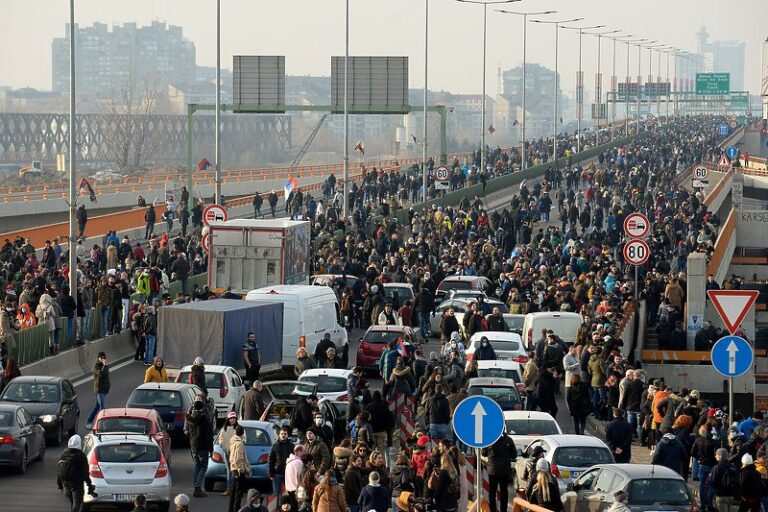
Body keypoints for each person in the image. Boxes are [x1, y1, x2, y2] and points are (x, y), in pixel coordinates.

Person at [57, 434, 95, 512]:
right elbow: (85, 473)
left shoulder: (64, 454)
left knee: (73, 504)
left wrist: (60, 485)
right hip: (77, 486)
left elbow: (59, 470)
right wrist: (89, 486)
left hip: (66, 485)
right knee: (77, 506)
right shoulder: (81, 456)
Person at [186, 394, 214, 498]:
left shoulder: (190, 418)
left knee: (197, 465)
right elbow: (208, 436)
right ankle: (197, 487)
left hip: (193, 445)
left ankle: (196, 487)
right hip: (202, 446)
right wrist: (211, 449)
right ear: (202, 408)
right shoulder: (204, 419)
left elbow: (189, 432)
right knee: (203, 466)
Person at [481, 432, 517, 512]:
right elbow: (514, 455)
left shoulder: (490, 439)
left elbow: (483, 453)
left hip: (492, 470)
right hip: (504, 470)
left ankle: (493, 510)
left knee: (492, 491)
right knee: (504, 491)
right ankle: (503, 510)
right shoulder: (509, 440)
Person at [219, 412, 243, 496]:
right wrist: (222, 444)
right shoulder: (224, 429)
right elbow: (220, 438)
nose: (232, 420)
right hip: (227, 452)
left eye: (234, 418)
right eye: (231, 418)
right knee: (229, 470)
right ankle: (229, 488)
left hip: (236, 453)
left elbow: (244, 439)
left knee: (236, 470)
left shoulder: (239, 428)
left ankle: (237, 489)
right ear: (228, 419)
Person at [85, 351, 110, 429]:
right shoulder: (95, 367)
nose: (103, 359)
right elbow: (101, 374)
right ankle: (103, 425)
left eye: (104, 357)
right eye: (101, 358)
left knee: (97, 407)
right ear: (98, 358)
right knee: (103, 407)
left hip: (104, 389)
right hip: (99, 390)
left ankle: (88, 422)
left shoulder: (104, 366)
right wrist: (105, 365)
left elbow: (106, 375)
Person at [708, 448, 739, 512]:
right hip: (731, 495)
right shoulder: (732, 467)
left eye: (716, 455)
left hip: (721, 495)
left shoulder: (716, 467)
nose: (715, 456)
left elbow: (712, 481)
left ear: (720, 456)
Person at [229, 424, 251, 512]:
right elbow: (238, 458)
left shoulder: (233, 441)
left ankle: (231, 509)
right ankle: (236, 509)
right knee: (239, 493)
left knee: (234, 492)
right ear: (242, 433)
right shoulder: (240, 443)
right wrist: (241, 470)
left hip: (233, 469)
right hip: (238, 471)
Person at [269, 426, 296, 498]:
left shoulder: (292, 446)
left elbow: (295, 460)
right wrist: (270, 473)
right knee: (276, 494)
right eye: (282, 434)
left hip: (288, 473)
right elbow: (270, 460)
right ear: (279, 435)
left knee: (290, 493)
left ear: (287, 435)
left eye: (285, 434)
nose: (283, 435)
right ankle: (276, 508)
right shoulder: (275, 446)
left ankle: (289, 508)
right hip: (277, 473)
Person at [285, 445, 305, 510]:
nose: (304, 453)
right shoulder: (298, 462)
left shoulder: (289, 462)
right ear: (299, 452)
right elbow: (299, 478)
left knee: (294, 508)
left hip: (289, 488)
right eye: (303, 451)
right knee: (300, 508)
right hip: (297, 489)